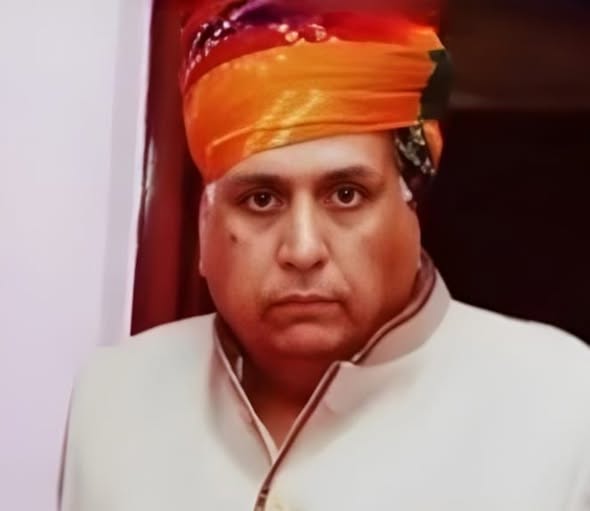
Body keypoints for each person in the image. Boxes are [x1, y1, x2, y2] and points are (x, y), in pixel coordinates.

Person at [59, 1, 590, 509]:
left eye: (346, 195)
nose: (303, 249)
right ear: (205, 228)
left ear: (410, 210)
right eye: (261, 200)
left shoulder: (559, 402)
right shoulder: (114, 400)